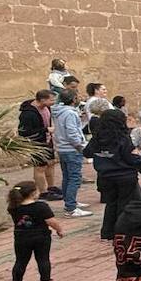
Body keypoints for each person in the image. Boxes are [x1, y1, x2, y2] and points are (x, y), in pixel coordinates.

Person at [85, 107, 141, 241]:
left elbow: (87, 152)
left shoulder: (97, 138)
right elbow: (130, 158)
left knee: (111, 204)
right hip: (124, 176)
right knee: (124, 204)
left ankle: (107, 232)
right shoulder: (122, 138)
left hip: (105, 176)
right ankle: (121, 231)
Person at [8, 180, 63, 281]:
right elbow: (51, 221)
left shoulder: (13, 207)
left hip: (21, 237)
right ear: (33, 193)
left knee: (20, 260)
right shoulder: (41, 206)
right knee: (43, 258)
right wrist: (59, 230)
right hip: (41, 236)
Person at [52, 87, 92, 217]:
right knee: (74, 178)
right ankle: (71, 207)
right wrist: (80, 146)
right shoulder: (69, 113)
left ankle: (70, 201)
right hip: (71, 149)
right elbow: (72, 132)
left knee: (67, 177)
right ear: (73, 99)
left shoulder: (59, 112)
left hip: (62, 148)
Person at [17, 88, 59, 199]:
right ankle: (43, 192)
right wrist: (45, 130)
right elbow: (24, 132)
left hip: (47, 140)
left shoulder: (47, 108)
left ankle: (51, 187)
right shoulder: (27, 114)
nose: (53, 102)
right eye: (51, 100)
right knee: (40, 167)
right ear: (42, 100)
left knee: (51, 163)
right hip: (36, 143)